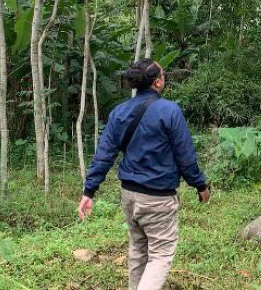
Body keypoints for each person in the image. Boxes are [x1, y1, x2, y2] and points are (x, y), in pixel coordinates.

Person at [77, 59, 210, 290]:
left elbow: (104, 154)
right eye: (163, 74)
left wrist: (89, 191)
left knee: (138, 249)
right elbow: (185, 157)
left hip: (129, 195)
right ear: (157, 81)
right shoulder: (170, 111)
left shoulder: (119, 112)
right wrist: (200, 186)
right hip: (158, 198)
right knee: (160, 256)